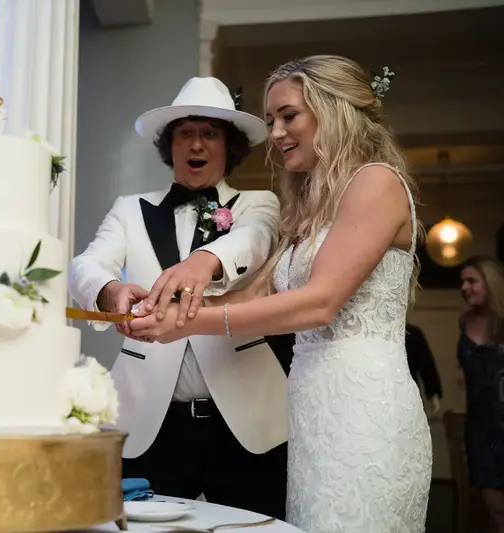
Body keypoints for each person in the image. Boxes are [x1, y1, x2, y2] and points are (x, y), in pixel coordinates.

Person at [130, 56, 432, 532]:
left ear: (333, 110)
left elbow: (320, 303)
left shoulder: (376, 181)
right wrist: (162, 310)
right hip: (310, 415)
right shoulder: (313, 204)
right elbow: (254, 298)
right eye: (271, 120)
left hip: (364, 410)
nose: (275, 133)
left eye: (288, 116)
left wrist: (188, 323)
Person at [68, 76, 292, 519]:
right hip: (149, 422)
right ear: (169, 145)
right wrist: (110, 289)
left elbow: (253, 241)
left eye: (210, 133)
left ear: (229, 146)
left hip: (249, 423)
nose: (197, 144)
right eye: (185, 133)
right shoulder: (128, 209)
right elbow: (86, 265)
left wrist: (204, 261)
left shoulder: (258, 203)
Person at [457, 255, 504, 532]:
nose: (465, 288)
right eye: (463, 282)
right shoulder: (464, 321)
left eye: (472, 281)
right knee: (495, 510)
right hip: (481, 431)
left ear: (491, 282)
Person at [405, 323, 443, 417]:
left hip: (407, 395)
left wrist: (433, 392)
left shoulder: (412, 334)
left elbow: (426, 363)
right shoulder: (370, 334)